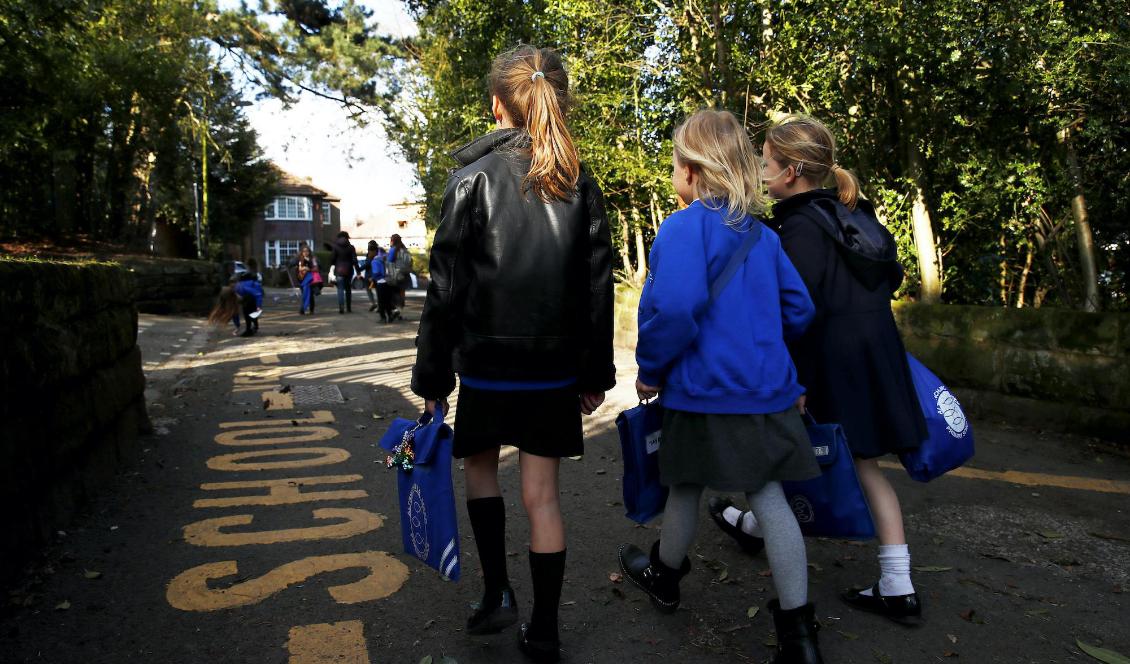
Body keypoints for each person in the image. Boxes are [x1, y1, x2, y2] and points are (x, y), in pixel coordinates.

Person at [411, 44, 614, 663]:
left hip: (487, 366)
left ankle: (497, 591)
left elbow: (446, 287)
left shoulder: (470, 179)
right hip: (552, 371)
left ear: (497, 104)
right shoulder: (579, 182)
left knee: (479, 471)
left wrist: (432, 372)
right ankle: (546, 631)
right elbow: (596, 287)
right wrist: (595, 372)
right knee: (543, 495)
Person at [616, 109, 824, 664]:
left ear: (691, 168)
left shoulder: (681, 228)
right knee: (770, 497)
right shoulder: (762, 234)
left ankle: (665, 576)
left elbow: (677, 309)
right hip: (765, 392)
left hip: (701, 391)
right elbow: (799, 309)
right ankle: (800, 636)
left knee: (684, 485)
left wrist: (651, 369)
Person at [709, 114, 928, 626]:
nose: (759, 168)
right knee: (863, 465)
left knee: (782, 451)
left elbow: (794, 311)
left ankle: (757, 525)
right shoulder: (856, 216)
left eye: (765, 161)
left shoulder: (797, 229)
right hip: (876, 356)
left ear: (790, 175)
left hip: (829, 361)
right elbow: (885, 278)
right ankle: (898, 582)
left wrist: (794, 378)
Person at [230, 257, 263, 336]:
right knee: (251, 312)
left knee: (248, 312)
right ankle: (254, 326)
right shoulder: (239, 288)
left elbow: (257, 294)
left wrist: (258, 305)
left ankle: (249, 329)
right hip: (250, 297)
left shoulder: (242, 287)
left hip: (250, 297)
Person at [385, 233, 412, 321]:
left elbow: (389, 263)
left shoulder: (393, 250)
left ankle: (395, 311)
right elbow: (410, 262)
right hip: (404, 276)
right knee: (401, 295)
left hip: (394, 276)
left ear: (393, 241)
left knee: (392, 295)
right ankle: (399, 311)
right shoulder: (405, 250)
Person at [330, 231, 359, 314]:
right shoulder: (351, 247)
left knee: (340, 289)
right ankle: (349, 307)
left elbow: (332, 259)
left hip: (339, 270)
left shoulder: (335, 247)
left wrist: (334, 264)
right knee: (348, 289)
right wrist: (358, 271)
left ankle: (341, 307)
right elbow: (354, 260)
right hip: (349, 270)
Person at [296, 245, 319, 315]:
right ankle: (303, 309)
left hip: (311, 279)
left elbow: (316, 269)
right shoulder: (301, 259)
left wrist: (309, 269)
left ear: (309, 252)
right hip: (303, 279)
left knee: (310, 295)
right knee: (304, 294)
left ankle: (311, 309)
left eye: (307, 251)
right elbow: (299, 268)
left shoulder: (313, 259)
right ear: (302, 252)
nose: (305, 253)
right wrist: (302, 269)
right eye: (304, 251)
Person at [363, 240, 380, 312]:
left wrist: (360, 268)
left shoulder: (372, 253)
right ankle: (376, 304)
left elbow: (368, 263)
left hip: (371, 275)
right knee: (374, 290)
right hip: (372, 274)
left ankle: (375, 303)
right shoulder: (377, 252)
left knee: (371, 289)